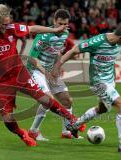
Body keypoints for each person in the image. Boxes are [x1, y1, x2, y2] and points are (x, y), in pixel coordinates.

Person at [0, 4, 81, 147]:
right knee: (7, 119)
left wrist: (55, 29)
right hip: (2, 82)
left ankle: (71, 119)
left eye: (7, 24)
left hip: (19, 73)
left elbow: (33, 29)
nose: (6, 28)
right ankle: (23, 134)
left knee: (44, 99)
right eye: (3, 25)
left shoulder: (10, 28)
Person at [53, 24, 121, 153]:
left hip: (110, 82)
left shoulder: (116, 43)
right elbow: (74, 50)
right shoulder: (97, 42)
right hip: (99, 83)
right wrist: (57, 66)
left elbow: (109, 61)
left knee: (102, 109)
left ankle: (74, 126)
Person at [27, 9, 84, 141]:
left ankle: (67, 131)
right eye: (60, 23)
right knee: (48, 101)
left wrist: (57, 67)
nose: (62, 27)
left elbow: (57, 53)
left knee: (67, 101)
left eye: (65, 24)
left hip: (50, 70)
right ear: (54, 21)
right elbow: (31, 59)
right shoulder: (44, 36)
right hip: (36, 70)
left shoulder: (65, 34)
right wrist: (46, 73)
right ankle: (33, 131)